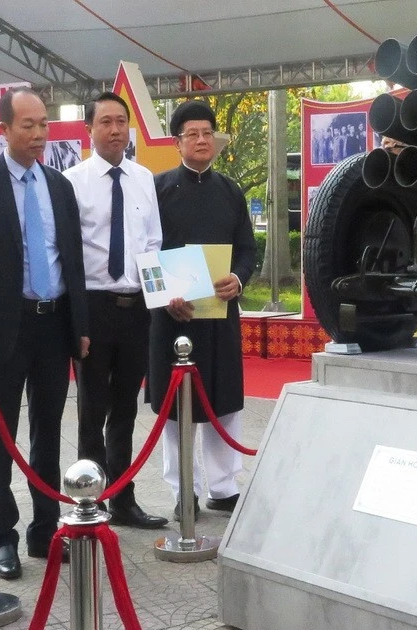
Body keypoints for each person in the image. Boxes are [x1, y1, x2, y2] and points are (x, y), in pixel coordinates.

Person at [0, 87, 90, 580]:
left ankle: (45, 529)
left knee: (48, 433)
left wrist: (80, 327)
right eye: (27, 125)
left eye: (44, 124)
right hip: (4, 329)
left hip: (54, 324)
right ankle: (2, 537)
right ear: (5, 129)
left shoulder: (59, 186)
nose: (38, 134)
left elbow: (71, 261)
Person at [63, 92, 168, 529]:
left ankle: (123, 498)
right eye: (105, 122)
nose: (115, 130)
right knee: (94, 407)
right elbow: (68, 253)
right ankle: (91, 498)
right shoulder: (71, 181)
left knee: (126, 407)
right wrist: (76, 319)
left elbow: (153, 244)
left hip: (135, 308)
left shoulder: (144, 178)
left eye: (121, 121)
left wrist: (159, 303)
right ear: (90, 129)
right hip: (93, 306)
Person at [148, 100, 256, 519]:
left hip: (220, 312)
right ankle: (183, 490)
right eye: (192, 134)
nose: (200, 140)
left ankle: (224, 486)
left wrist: (239, 279)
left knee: (224, 400)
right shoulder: (157, 190)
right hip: (173, 315)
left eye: (207, 133)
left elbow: (248, 250)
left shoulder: (231, 192)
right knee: (177, 406)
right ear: (177, 143)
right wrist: (165, 296)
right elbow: (146, 250)